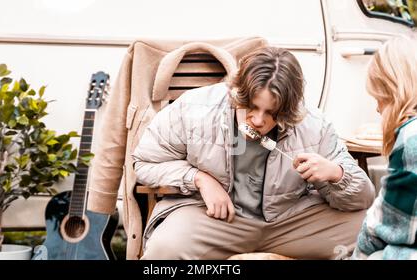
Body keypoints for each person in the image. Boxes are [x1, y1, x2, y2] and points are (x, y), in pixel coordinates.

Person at [132, 47, 375, 260]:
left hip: (290, 222)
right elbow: (143, 163)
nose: (258, 120)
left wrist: (336, 174)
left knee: (372, 230)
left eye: (272, 113)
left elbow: (363, 199)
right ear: (238, 92)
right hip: (215, 220)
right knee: (164, 250)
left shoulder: (314, 125)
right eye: (251, 107)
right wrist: (199, 179)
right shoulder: (194, 109)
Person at [352, 35, 417, 260]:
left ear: (391, 91)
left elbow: (382, 227)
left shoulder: (411, 137)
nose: (378, 109)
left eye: (378, 98)